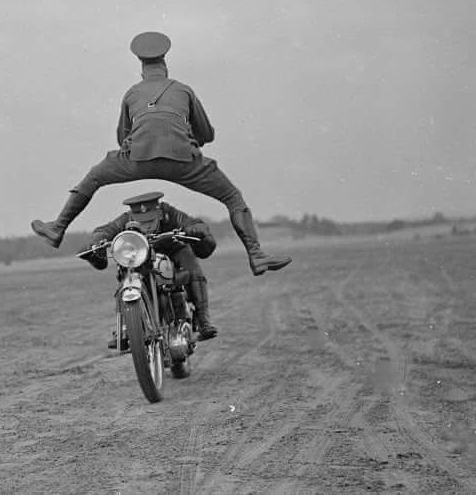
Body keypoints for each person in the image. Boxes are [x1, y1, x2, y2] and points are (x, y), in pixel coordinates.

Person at [32, 31, 292, 277]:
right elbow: (206, 134)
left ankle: (58, 229)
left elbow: (122, 139)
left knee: (94, 177)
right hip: (183, 162)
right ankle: (256, 255)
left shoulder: (132, 93)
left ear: (141, 69)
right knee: (232, 198)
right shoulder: (183, 90)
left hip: (137, 160)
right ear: (165, 65)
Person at [78, 191, 218, 343]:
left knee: (191, 265)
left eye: (151, 220)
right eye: (141, 222)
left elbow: (190, 222)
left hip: (173, 249)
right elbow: (104, 230)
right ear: (133, 217)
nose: (147, 226)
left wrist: (195, 228)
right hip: (141, 254)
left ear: (159, 213)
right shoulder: (125, 219)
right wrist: (97, 241)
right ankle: (125, 327)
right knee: (125, 275)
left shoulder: (169, 213)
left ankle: (203, 320)